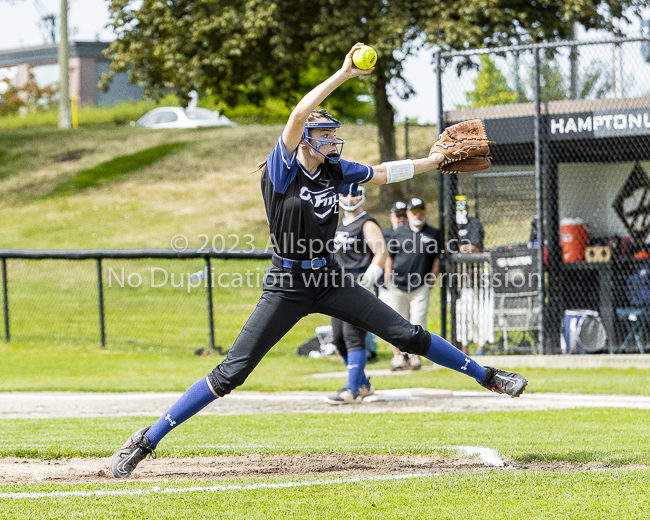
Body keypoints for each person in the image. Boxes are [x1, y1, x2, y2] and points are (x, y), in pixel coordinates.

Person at [110, 43, 528, 479]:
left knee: (405, 333)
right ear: (306, 139)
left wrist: (434, 161)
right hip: (286, 285)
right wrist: (345, 73)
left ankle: (488, 375)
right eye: (325, 135)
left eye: (333, 135)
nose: (332, 141)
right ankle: (145, 439)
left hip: (330, 277)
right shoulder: (282, 170)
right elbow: (296, 115)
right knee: (231, 373)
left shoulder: (335, 170)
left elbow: (383, 172)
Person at [325, 185, 387, 404]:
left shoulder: (366, 223)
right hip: (336, 284)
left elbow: (381, 252)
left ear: (362, 196)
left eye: (355, 194)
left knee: (353, 337)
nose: (350, 198)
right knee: (338, 339)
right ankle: (363, 385)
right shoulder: (339, 223)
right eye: (345, 193)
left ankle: (351, 390)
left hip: (357, 283)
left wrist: (368, 278)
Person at [384, 198, 441, 371]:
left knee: (418, 322)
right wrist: (388, 276)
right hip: (398, 284)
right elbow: (390, 256)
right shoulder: (399, 232)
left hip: (420, 285)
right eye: (414, 211)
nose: (418, 214)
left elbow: (437, 258)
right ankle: (399, 357)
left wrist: (431, 279)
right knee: (397, 322)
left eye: (421, 211)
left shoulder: (433, 233)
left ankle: (415, 356)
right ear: (408, 214)